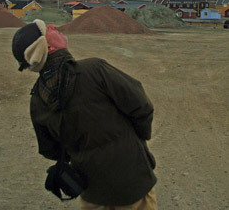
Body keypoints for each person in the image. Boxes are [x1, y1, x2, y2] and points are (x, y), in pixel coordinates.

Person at [12, 19, 158, 210]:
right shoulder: (94, 70)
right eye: (47, 29)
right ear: (48, 46)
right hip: (132, 183)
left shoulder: (38, 99)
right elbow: (142, 106)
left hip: (91, 191)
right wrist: (138, 139)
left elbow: (49, 149)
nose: (54, 27)